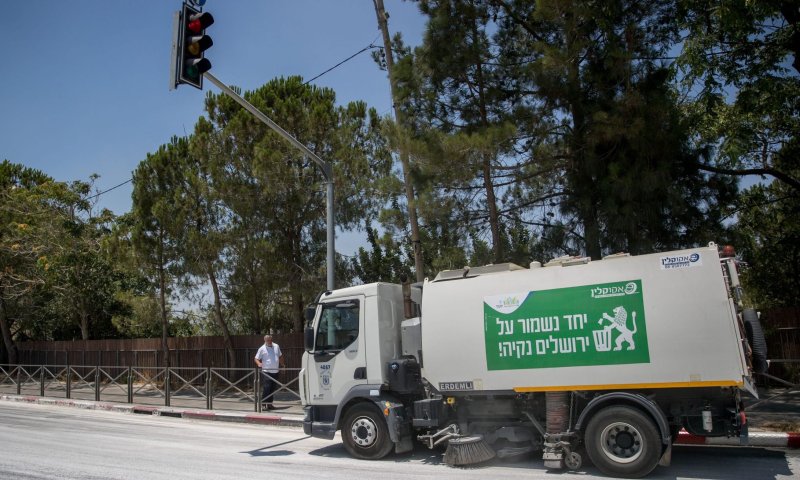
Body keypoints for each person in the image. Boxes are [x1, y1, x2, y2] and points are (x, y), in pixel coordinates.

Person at [254, 335, 284, 410]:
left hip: (275, 371)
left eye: (270, 340)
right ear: (265, 341)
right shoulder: (262, 348)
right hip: (266, 371)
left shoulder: (276, 346)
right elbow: (256, 358)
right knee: (267, 387)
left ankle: (270, 404)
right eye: (267, 341)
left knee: (272, 388)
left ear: (271, 339)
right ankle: (263, 404)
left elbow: (280, 356)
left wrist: (283, 365)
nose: (269, 342)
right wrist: (259, 363)